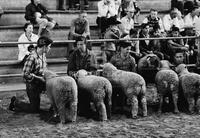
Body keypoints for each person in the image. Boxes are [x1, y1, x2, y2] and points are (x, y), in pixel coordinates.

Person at [9, 36, 53, 113]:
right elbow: (25, 74)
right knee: (34, 109)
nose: (50, 48)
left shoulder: (43, 55)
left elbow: (44, 69)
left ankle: (54, 107)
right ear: (44, 47)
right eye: (49, 46)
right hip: (32, 85)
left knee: (54, 87)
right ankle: (15, 102)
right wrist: (39, 78)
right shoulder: (32, 57)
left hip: (41, 82)